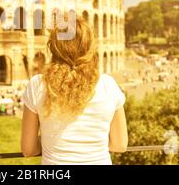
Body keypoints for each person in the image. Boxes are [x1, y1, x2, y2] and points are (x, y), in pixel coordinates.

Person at [21, 18, 128, 165]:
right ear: (89, 47)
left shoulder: (37, 84)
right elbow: (120, 145)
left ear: (53, 47)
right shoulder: (108, 84)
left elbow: (28, 149)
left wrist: (49, 143)